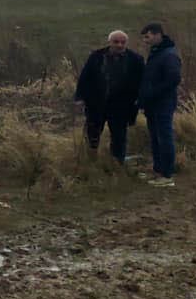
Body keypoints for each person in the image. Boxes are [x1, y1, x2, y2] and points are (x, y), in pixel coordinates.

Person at [73, 30, 143, 163]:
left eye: (123, 42)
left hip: (121, 106)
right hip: (96, 104)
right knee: (92, 135)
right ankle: (89, 162)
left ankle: (117, 164)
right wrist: (79, 98)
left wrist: (139, 101)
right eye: (116, 42)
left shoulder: (136, 60)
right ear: (109, 42)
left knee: (119, 137)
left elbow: (141, 83)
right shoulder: (96, 57)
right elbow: (85, 78)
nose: (119, 45)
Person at [138, 22, 182, 187]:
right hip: (152, 104)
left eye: (147, 36)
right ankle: (158, 170)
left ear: (158, 34)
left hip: (163, 103)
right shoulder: (156, 52)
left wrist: (153, 92)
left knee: (164, 138)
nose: (145, 41)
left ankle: (167, 175)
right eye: (144, 37)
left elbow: (173, 79)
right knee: (155, 138)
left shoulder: (169, 55)